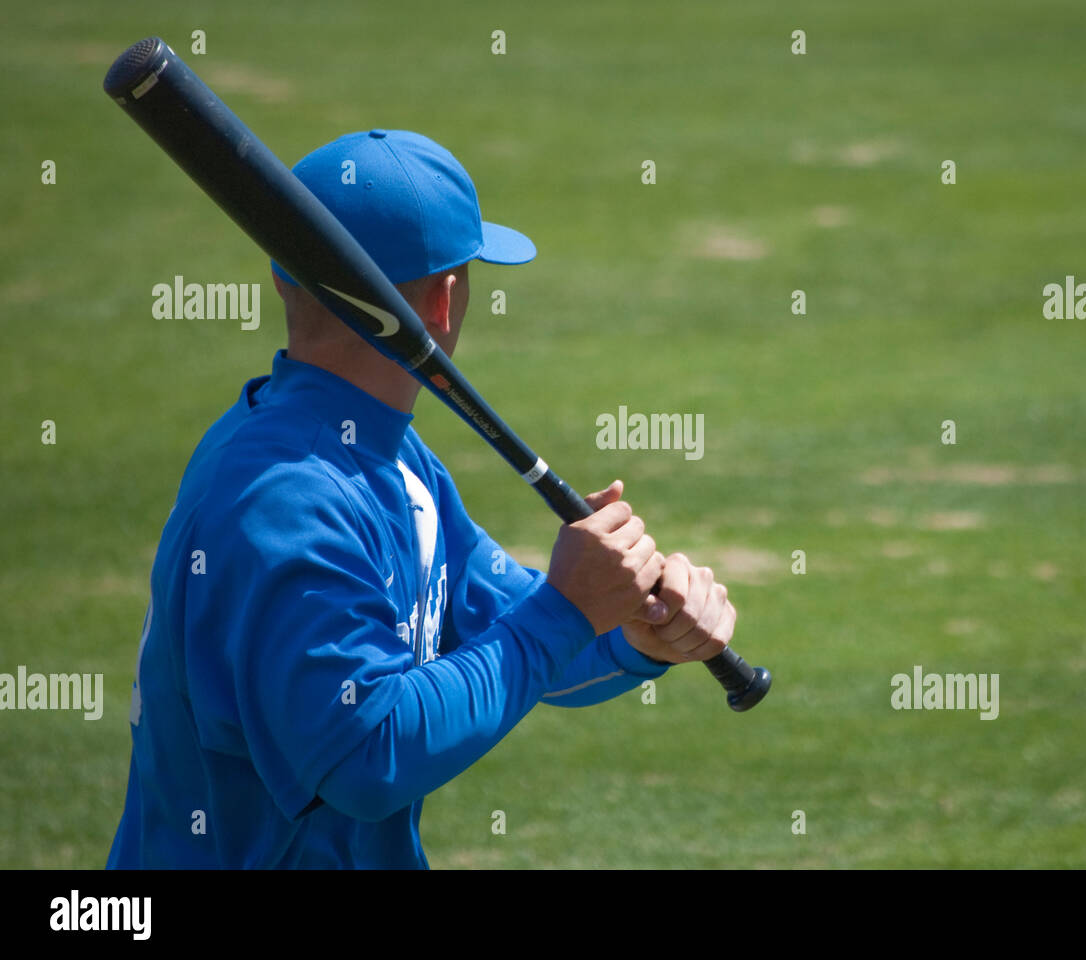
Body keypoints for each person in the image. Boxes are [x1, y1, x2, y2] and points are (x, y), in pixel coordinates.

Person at [107, 129, 736, 868]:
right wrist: (566, 610)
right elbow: (365, 756)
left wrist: (630, 633)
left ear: (283, 276)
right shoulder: (286, 504)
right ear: (442, 302)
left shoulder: (387, 458)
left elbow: (510, 634)